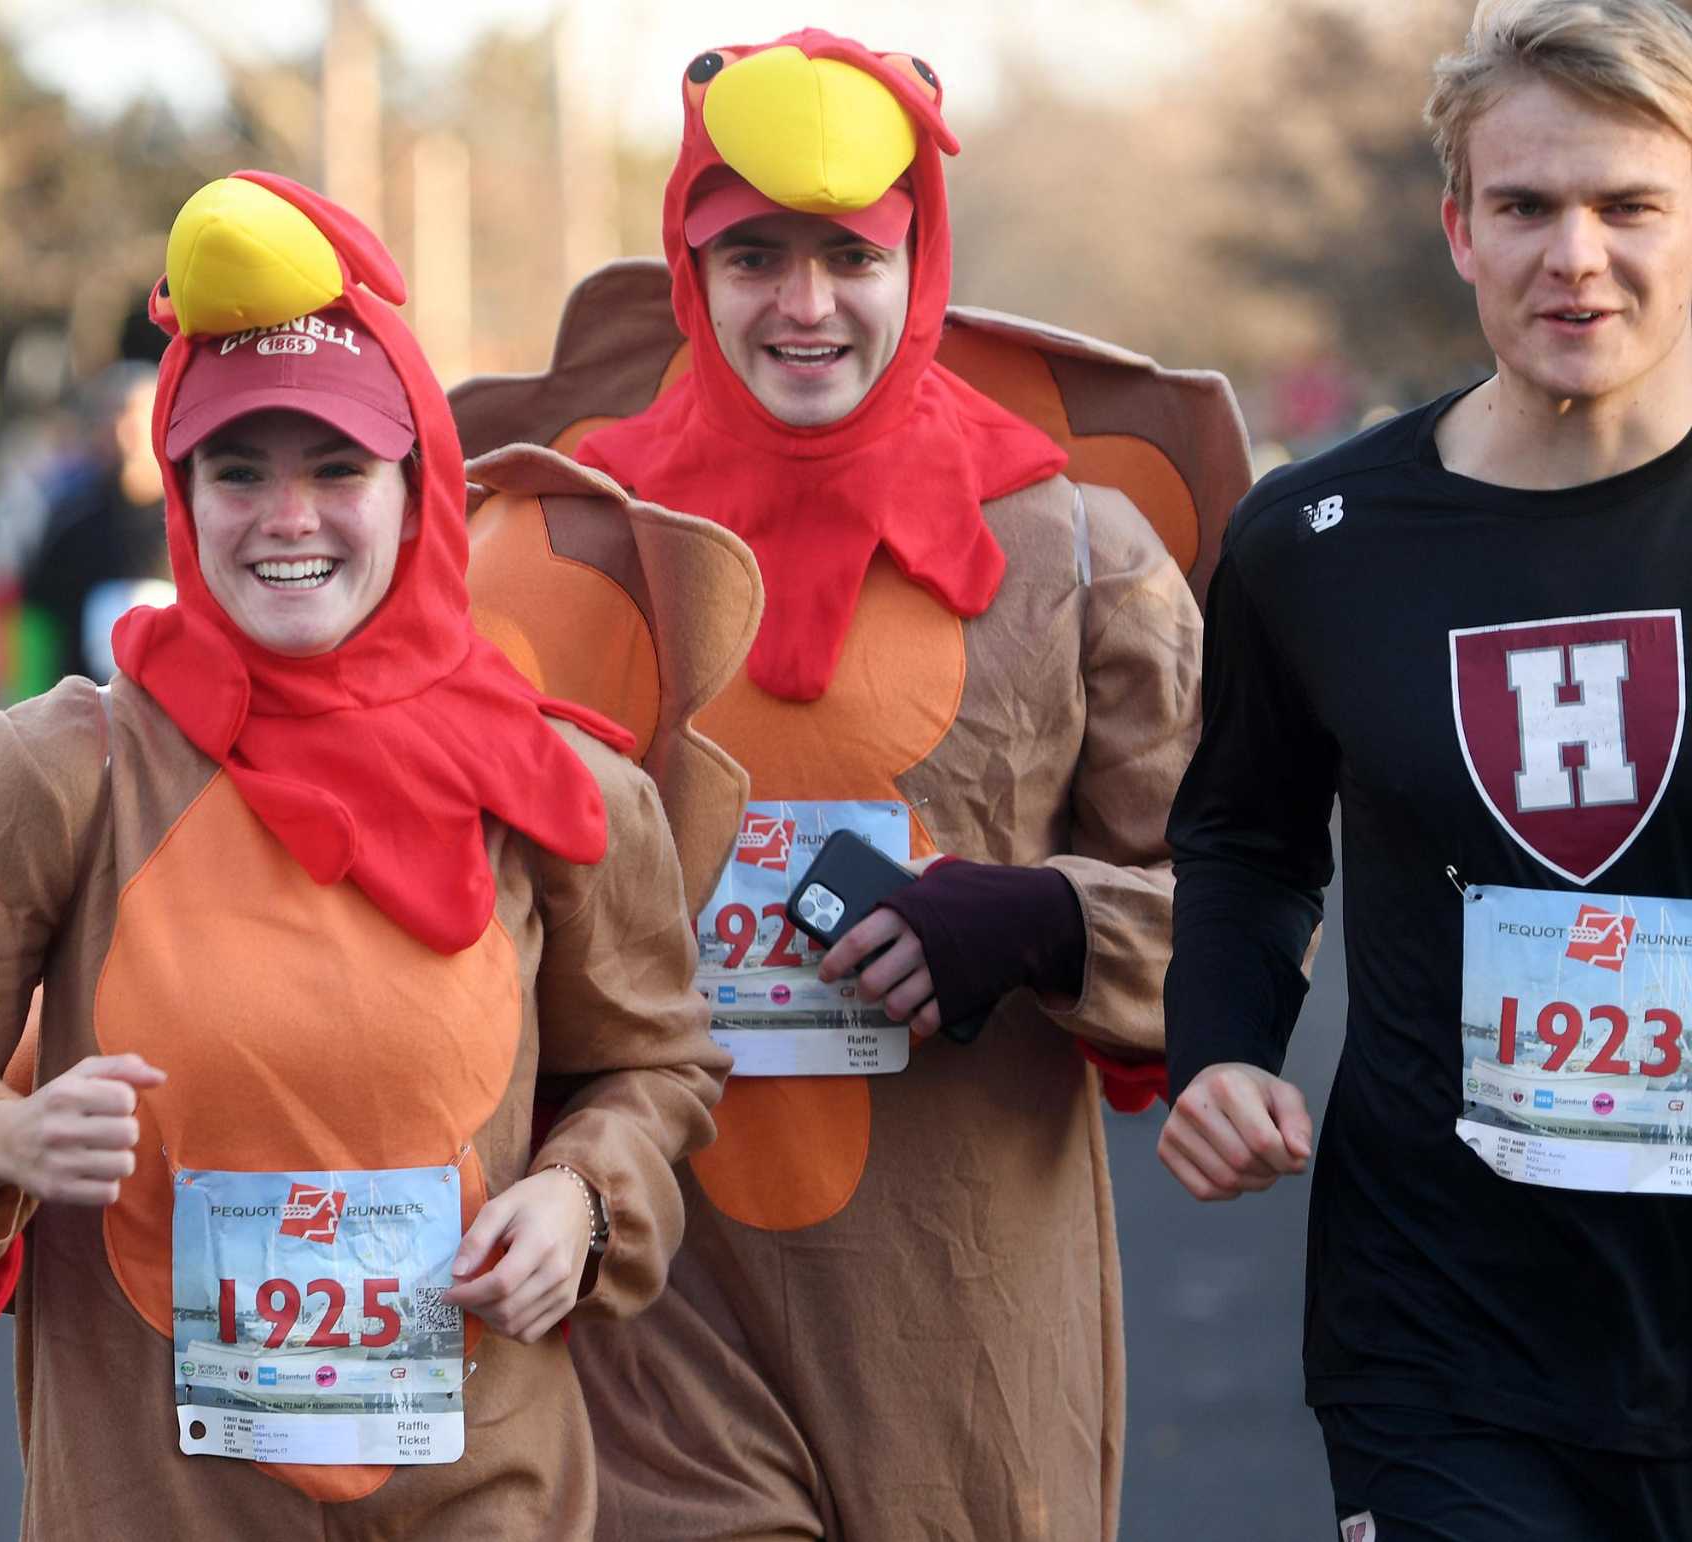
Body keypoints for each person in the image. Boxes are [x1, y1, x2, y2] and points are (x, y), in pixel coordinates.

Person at [0, 171, 730, 1540]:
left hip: (484, 1493)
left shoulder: (558, 783)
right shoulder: (63, 769)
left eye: (337, 467)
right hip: (156, 1499)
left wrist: (584, 1197)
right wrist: (1, 1132)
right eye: (239, 470)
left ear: (418, 491)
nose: (289, 517)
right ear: (180, 491)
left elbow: (656, 1061)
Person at [467, 30, 1207, 1540]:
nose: (803, 305)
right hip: (653, 1303)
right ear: (691, 269)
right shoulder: (559, 542)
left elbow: (1237, 925)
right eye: (753, 255)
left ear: (919, 264)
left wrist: (1044, 923)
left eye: (849, 255)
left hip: (967, 1313)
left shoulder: (1082, 558)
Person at [1160, 3, 1692, 1537]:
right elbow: (1250, 840)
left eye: (1627, 205)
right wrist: (1219, 1052)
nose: (1573, 255)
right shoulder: (1314, 543)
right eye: (1526, 206)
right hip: (1443, 1341)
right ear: (1459, 226)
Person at [14, 360, 173, 692]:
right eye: (111, 415)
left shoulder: (192, 519)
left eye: (134, 414)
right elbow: (39, 621)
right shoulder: (71, 522)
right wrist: (29, 705)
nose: (122, 430)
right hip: (88, 719)